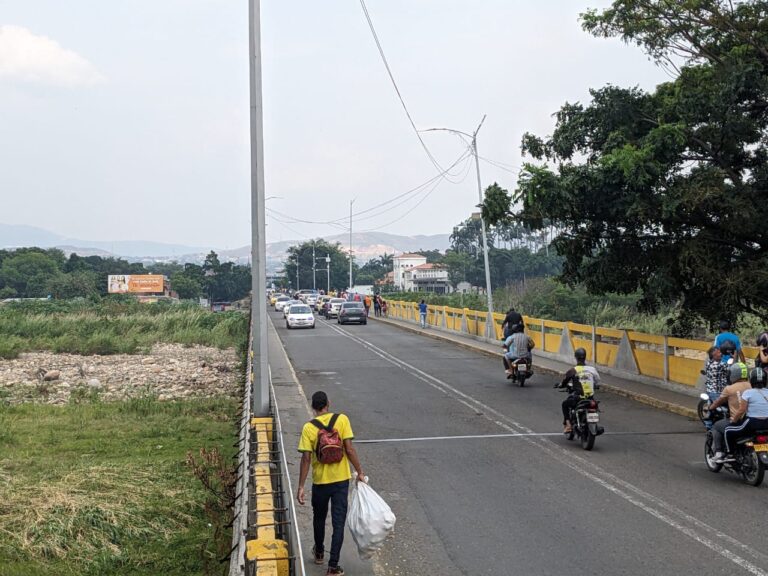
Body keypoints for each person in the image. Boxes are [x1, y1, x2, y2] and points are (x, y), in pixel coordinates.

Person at [297, 391, 366, 576]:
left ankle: (319, 552)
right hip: (341, 482)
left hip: (320, 482)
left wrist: (301, 486)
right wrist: (359, 471)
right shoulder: (342, 420)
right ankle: (333, 566)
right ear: (328, 403)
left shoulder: (309, 428)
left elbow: (305, 459)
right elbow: (349, 449)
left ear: (313, 407)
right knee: (338, 524)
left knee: (319, 518)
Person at [707, 362, 750, 463]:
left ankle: (719, 453)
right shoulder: (750, 385)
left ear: (734, 374)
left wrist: (710, 407)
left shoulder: (729, 389)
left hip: (738, 420)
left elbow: (719, 402)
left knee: (717, 426)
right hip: (749, 420)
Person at [722, 367, 768, 460]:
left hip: (753, 423)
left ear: (751, 380)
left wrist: (733, 421)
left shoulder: (748, 393)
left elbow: (741, 410)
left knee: (728, 430)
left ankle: (730, 454)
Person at [555, 348, 600, 434]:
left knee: (564, 404)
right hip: (590, 398)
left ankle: (568, 425)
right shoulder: (592, 369)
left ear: (576, 358)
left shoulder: (573, 370)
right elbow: (597, 381)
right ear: (585, 357)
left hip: (578, 398)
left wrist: (560, 385)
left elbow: (564, 382)